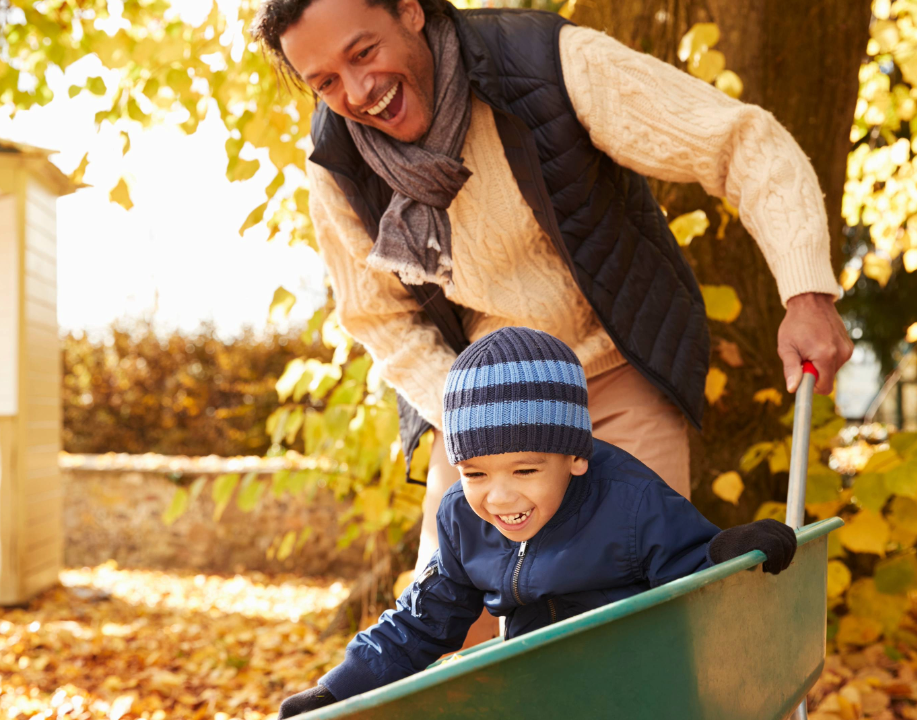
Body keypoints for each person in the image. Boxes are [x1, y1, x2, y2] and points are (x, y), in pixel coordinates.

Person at [250, 0, 852, 632]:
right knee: (456, 636)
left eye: (363, 52)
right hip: (484, 409)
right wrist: (474, 413)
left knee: (621, 625)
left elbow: (738, 141)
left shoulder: (546, 63)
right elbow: (381, 320)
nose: (357, 92)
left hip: (614, 372)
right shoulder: (339, 166)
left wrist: (806, 292)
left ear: (410, 11)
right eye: (325, 82)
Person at [277, 328, 798, 717]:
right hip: (542, 692)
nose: (499, 496)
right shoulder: (464, 517)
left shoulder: (631, 503)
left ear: (575, 456)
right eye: (474, 472)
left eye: (525, 469)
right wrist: (337, 692)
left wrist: (729, 551)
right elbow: (422, 621)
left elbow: (695, 576)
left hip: (638, 690)